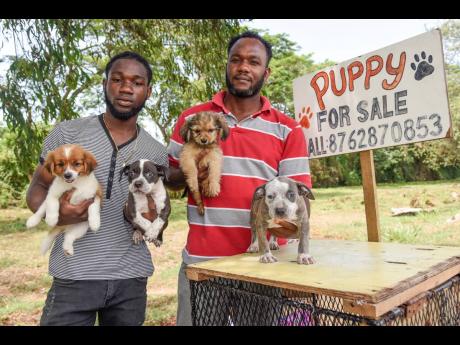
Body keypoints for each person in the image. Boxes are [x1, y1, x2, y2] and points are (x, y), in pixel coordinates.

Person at [166, 31, 312, 326]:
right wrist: (186, 172)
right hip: (203, 261)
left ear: (266, 73)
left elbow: (299, 202)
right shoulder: (193, 118)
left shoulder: (288, 129)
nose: (243, 67)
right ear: (227, 66)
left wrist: (286, 239)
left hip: (261, 264)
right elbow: (168, 179)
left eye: (253, 62)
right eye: (236, 60)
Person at [26, 51, 167, 326]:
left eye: (137, 82)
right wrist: (58, 214)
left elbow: (156, 210)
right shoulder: (68, 134)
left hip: (130, 279)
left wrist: (155, 222)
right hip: (74, 275)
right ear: (105, 84)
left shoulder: (156, 153)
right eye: (117, 79)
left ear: (148, 91)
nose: (126, 87)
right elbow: (38, 188)